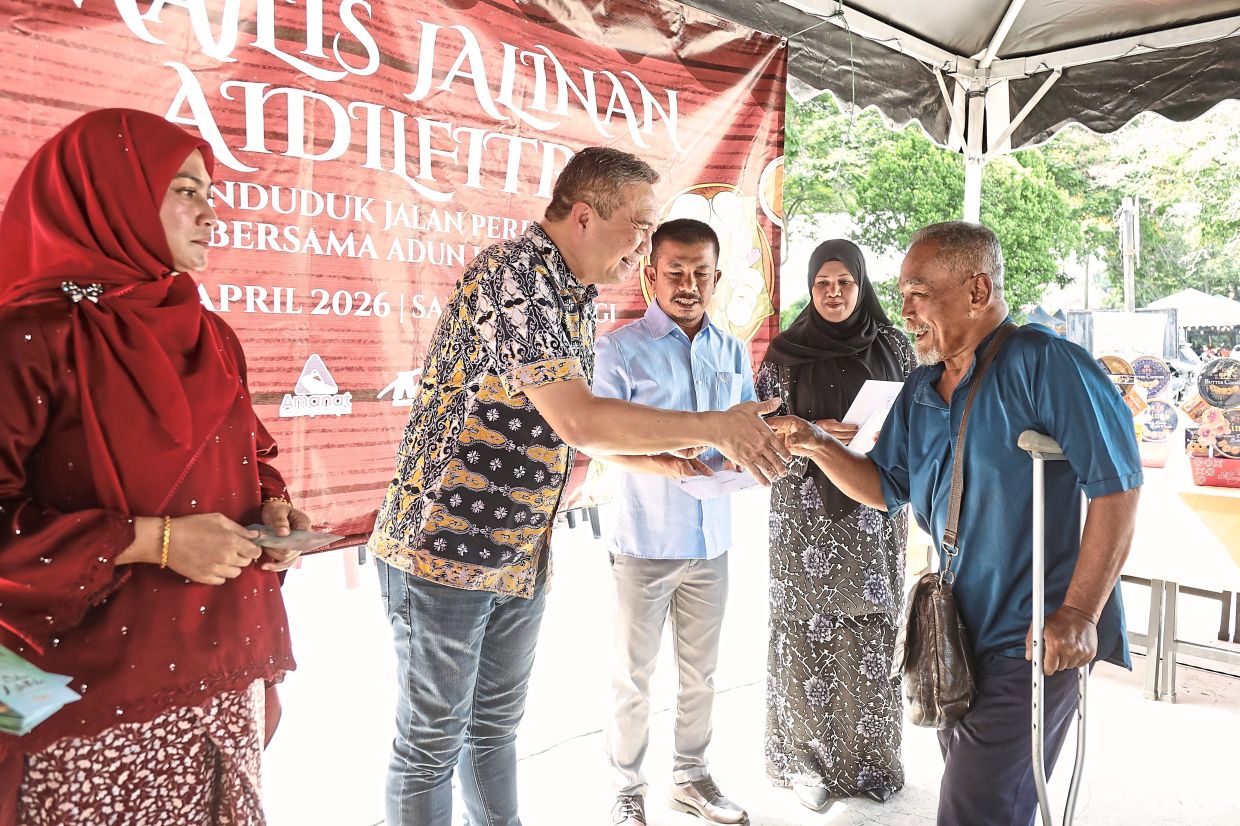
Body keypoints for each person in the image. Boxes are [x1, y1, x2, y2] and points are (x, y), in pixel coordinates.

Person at [367, 147, 789, 826]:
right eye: (641, 228)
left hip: (518, 556)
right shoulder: (515, 276)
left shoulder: (573, 295)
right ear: (586, 216)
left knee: (493, 730)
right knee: (430, 745)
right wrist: (715, 426)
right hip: (441, 551)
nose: (645, 249)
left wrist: (662, 462)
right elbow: (580, 416)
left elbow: (574, 434)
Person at [768, 221, 1142, 826]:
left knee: (977, 809)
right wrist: (812, 442)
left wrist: (1078, 614)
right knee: (981, 797)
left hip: (1033, 638)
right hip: (951, 636)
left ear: (976, 290)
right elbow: (885, 487)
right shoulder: (921, 386)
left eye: (919, 292)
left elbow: (1118, 487)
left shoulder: (1045, 363)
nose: (905, 309)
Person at [0, 109, 313, 825]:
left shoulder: (209, 333)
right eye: (184, 190)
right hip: (83, 703)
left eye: (209, 191)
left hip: (220, 673)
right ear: (110, 194)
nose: (211, 210)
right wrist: (156, 541)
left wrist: (272, 508)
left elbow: (247, 456)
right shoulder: (29, 337)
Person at [592, 219, 752, 826]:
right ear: (649, 274)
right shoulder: (619, 348)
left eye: (700, 273)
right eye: (675, 272)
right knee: (632, 678)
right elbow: (598, 442)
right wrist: (660, 463)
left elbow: (740, 436)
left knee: (701, 675)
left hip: (713, 541)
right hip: (644, 541)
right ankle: (626, 789)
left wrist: (766, 453)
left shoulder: (732, 349)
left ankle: (691, 776)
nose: (688, 285)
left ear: (716, 277)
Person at [756, 240, 914, 811]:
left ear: (861, 284)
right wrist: (811, 430)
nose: (834, 293)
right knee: (804, 632)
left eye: (845, 282)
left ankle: (870, 761)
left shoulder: (894, 345)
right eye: (823, 282)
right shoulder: (784, 353)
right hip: (804, 515)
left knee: (870, 635)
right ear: (810, 286)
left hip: (872, 512)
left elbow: (920, 415)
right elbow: (759, 427)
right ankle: (807, 764)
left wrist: (882, 434)